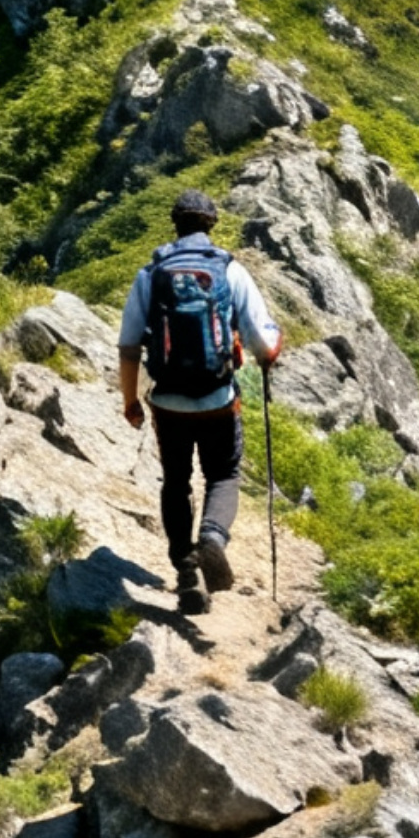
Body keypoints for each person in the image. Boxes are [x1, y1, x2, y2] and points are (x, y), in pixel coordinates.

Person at [118, 188, 281, 615]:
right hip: (218, 398)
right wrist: (269, 353)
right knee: (224, 474)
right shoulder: (230, 270)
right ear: (211, 224)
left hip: (168, 401)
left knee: (175, 481)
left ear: (175, 223)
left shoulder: (150, 273)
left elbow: (129, 345)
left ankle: (187, 573)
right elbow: (264, 342)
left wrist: (130, 400)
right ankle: (212, 536)